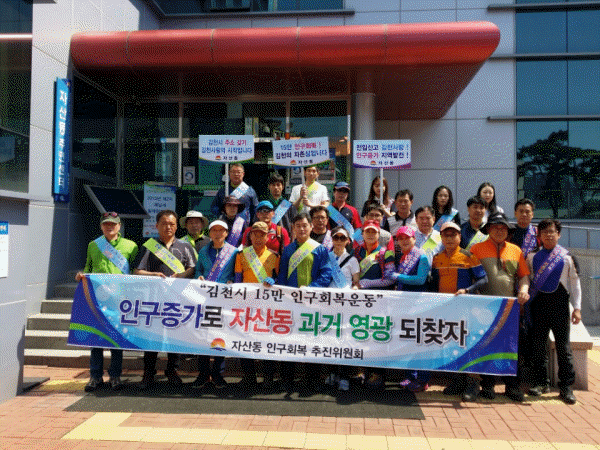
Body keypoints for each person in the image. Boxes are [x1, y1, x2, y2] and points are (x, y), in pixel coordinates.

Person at [470, 212, 530, 402]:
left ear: (508, 231)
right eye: (495, 227)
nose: (499, 230)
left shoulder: (515, 250)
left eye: (503, 227)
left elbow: (523, 276)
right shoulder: (475, 249)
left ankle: (512, 386)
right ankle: (487, 386)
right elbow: (470, 277)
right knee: (486, 346)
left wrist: (524, 290)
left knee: (510, 347)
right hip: (484, 307)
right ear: (488, 229)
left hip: (510, 308)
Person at [76, 212, 139, 392]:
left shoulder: (131, 246)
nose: (109, 227)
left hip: (119, 299)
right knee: (96, 339)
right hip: (98, 299)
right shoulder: (93, 245)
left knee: (115, 339)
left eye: (113, 224)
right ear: (101, 226)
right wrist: (81, 275)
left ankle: (115, 376)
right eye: (106, 224)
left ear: (119, 226)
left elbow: (136, 271)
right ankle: (95, 376)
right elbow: (88, 268)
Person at [135, 210, 197, 390]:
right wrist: (153, 274)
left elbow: (192, 268)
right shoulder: (150, 246)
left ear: (177, 226)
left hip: (177, 299)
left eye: (171, 224)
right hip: (154, 299)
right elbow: (137, 271)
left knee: (174, 335)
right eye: (164, 223)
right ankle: (148, 372)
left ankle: (172, 371)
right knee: (152, 336)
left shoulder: (185, 246)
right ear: (157, 226)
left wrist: (182, 275)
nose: (168, 227)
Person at [277, 213, 333, 394]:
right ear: (293, 228)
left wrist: (311, 289)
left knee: (312, 340)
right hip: (291, 302)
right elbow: (282, 276)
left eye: (304, 225)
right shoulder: (287, 250)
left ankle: (313, 379)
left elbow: (326, 274)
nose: (301, 229)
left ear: (311, 227)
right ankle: (287, 379)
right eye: (298, 226)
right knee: (289, 340)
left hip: (313, 302)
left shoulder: (320, 249)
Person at [431, 221, 488, 402]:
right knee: (450, 343)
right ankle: (457, 381)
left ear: (459, 237)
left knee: (467, 343)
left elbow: (483, 279)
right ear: (441, 238)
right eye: (446, 235)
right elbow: (434, 283)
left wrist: (468, 290)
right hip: (445, 309)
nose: (449, 238)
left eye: (453, 235)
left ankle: (473, 383)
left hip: (465, 308)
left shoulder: (468, 256)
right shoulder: (437, 258)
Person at [526, 219, 580, 405]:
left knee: (563, 348)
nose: (548, 235)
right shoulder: (532, 257)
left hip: (560, 307)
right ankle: (541, 383)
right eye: (544, 232)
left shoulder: (567, 257)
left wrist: (577, 308)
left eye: (552, 231)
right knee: (538, 347)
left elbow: (575, 284)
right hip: (539, 306)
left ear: (559, 234)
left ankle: (566, 387)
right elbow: (528, 281)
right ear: (539, 236)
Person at [193, 219, 239, 389]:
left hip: (224, 300)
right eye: (214, 230)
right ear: (210, 233)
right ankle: (203, 373)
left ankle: (218, 373)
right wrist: (198, 277)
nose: (218, 233)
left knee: (220, 337)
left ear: (226, 233)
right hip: (205, 299)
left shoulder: (233, 252)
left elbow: (237, 273)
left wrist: (232, 280)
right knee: (203, 337)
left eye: (221, 230)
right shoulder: (203, 251)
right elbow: (198, 270)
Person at [234, 221, 280, 391]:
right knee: (245, 340)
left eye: (262, 235)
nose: (259, 238)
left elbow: (279, 279)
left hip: (267, 306)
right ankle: (249, 376)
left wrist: (273, 281)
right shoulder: (241, 255)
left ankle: (268, 377)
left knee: (267, 341)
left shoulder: (274, 256)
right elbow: (238, 279)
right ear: (250, 236)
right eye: (256, 234)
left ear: (267, 237)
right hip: (246, 305)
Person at [384, 225, 431, 392]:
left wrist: (398, 276)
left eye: (407, 237)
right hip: (405, 304)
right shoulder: (403, 257)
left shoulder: (421, 256)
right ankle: (410, 376)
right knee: (408, 340)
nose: (404, 241)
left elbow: (420, 279)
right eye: (400, 238)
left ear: (414, 239)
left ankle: (423, 379)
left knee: (420, 342)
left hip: (418, 304)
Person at [354, 219, 396, 389]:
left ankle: (378, 374)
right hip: (360, 302)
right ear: (362, 234)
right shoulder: (356, 252)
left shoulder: (387, 253)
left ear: (379, 234)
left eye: (374, 232)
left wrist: (367, 283)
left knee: (378, 336)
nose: (370, 234)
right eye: (367, 231)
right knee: (361, 335)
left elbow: (390, 279)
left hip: (380, 301)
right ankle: (362, 370)